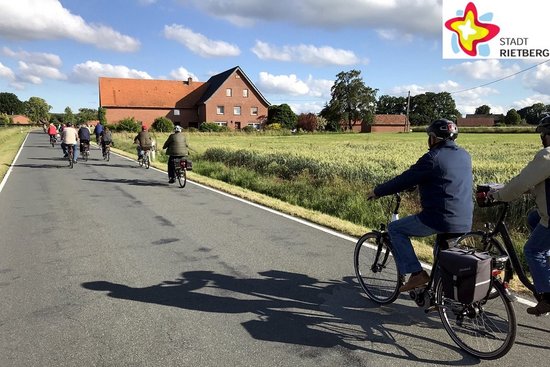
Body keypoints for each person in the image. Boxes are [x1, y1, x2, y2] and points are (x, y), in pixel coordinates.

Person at [367, 119, 473, 292]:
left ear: (434, 138)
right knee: (442, 257)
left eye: (429, 136)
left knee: (395, 229)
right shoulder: (464, 155)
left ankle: (416, 274)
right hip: (465, 219)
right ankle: (439, 297)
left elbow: (404, 179)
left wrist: (378, 191)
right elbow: (447, 179)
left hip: (439, 218)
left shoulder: (433, 157)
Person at [489, 114, 550, 315]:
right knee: (533, 218)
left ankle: (547, 298)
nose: (541, 138)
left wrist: (499, 195)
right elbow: (540, 184)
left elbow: (522, 181)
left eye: (542, 133)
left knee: (532, 250)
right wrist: (529, 190)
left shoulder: (547, 155)